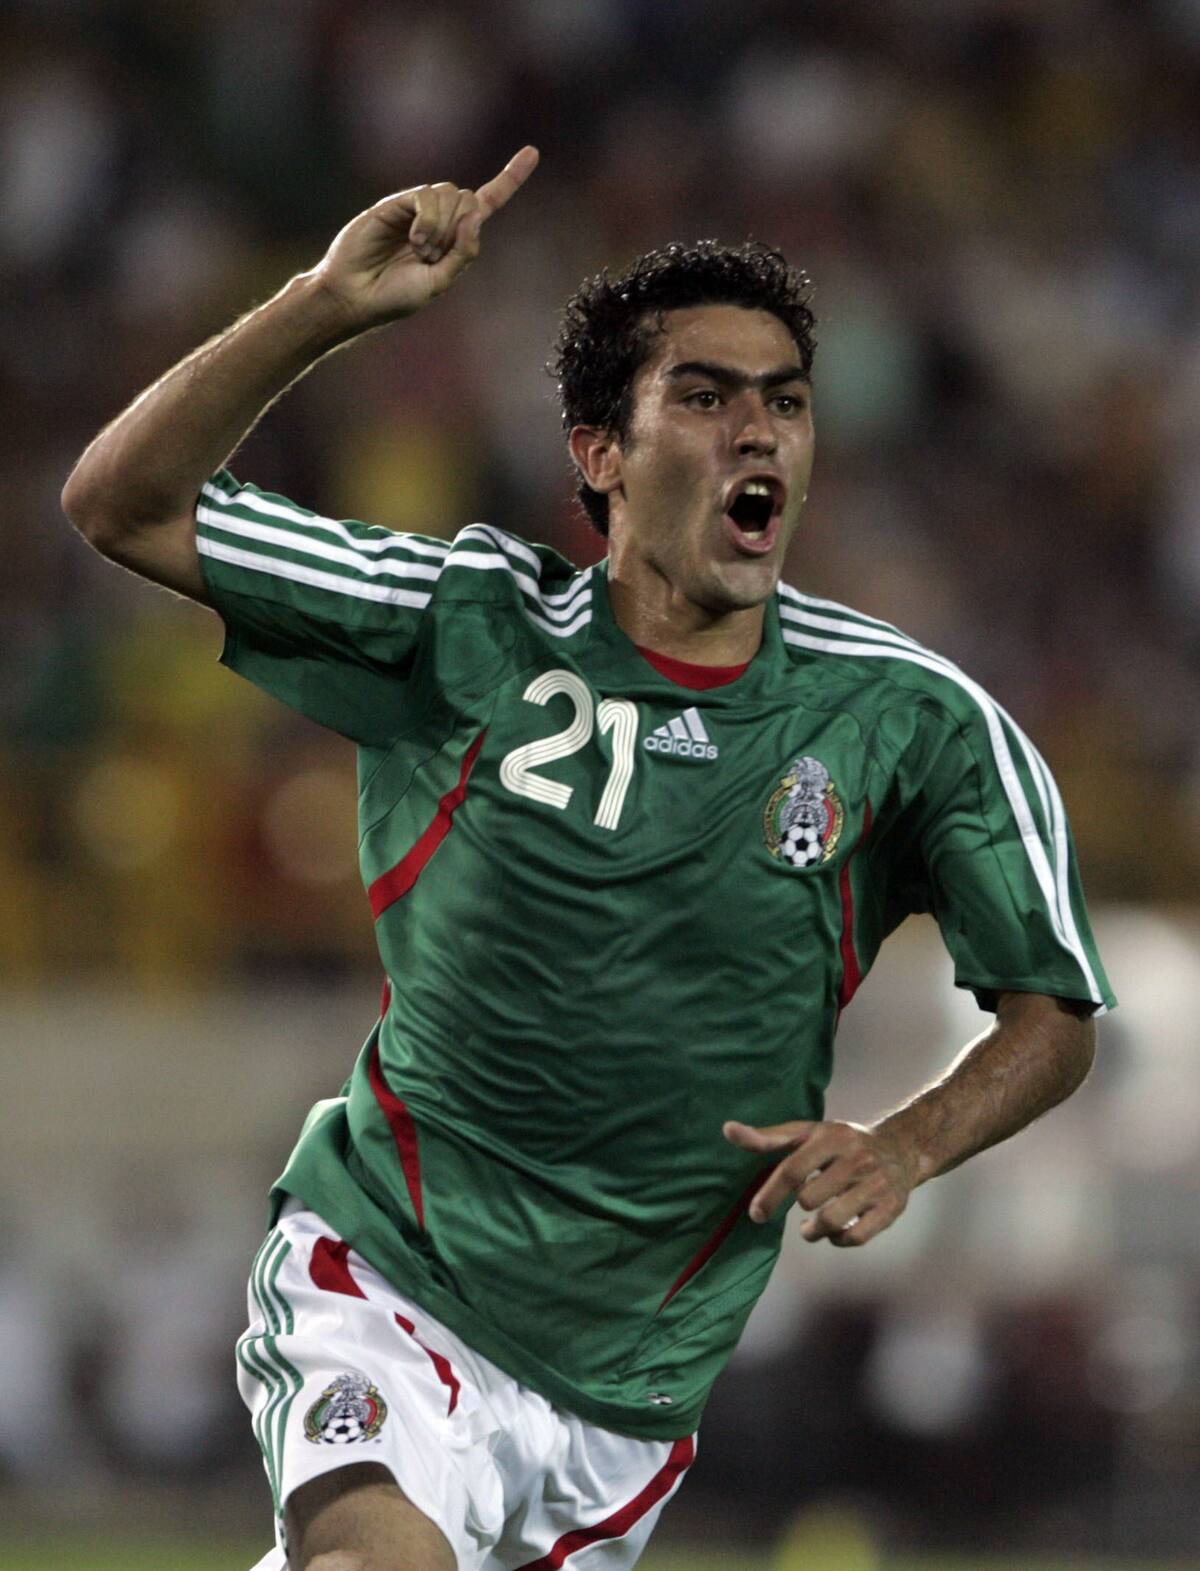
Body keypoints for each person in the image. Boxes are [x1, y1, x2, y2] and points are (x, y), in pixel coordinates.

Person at [62, 145, 1115, 1571]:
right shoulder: (467, 619)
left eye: (787, 404)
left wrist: (910, 1143)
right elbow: (121, 502)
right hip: (394, 1269)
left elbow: (1052, 1010)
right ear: (600, 456)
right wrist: (322, 305)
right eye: (704, 396)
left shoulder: (916, 724)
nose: (760, 434)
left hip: (628, 1387)